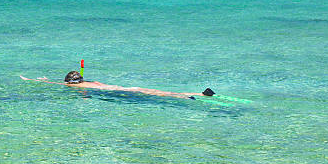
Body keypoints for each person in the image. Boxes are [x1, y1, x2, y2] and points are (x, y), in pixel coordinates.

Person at [63, 70, 215, 100]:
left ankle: (187, 97)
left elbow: (63, 84)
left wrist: (43, 80)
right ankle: (198, 94)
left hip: (118, 92)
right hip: (122, 88)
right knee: (153, 91)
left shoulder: (76, 86)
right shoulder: (90, 82)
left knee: (153, 94)